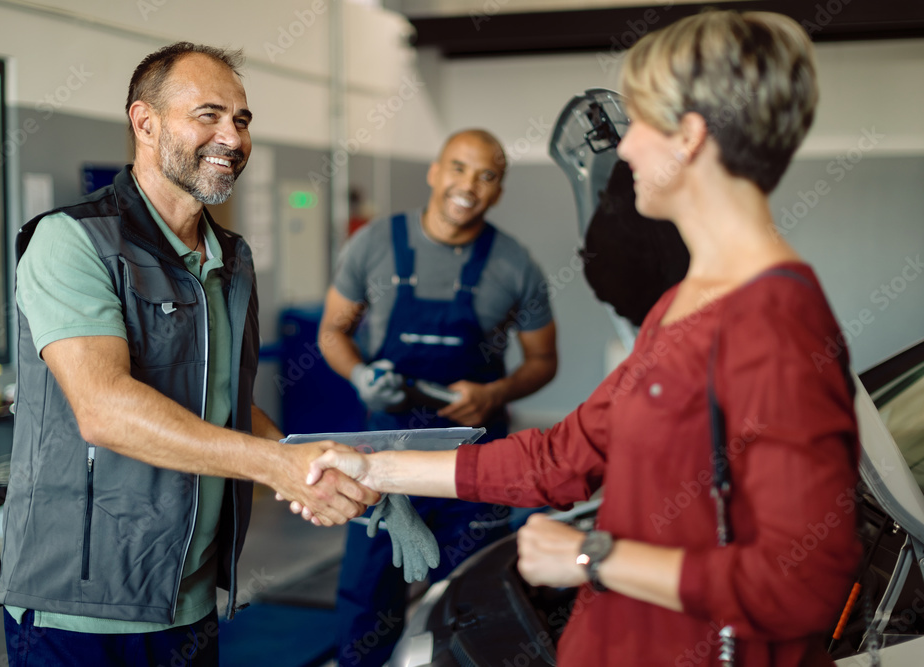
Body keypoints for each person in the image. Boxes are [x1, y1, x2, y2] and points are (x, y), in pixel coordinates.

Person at [302, 11, 862, 667]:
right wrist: (374, 467)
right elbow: (562, 458)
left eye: (641, 123)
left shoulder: (775, 323)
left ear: (689, 136)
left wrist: (594, 555)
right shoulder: (682, 304)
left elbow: (802, 582)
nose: (625, 149)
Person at [0, 42, 376, 666]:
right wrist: (272, 467)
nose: (232, 135)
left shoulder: (232, 258)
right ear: (144, 123)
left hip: (188, 599)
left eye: (242, 119)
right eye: (208, 114)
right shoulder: (72, 240)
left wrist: (320, 474)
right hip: (81, 608)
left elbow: (223, 401)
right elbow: (105, 410)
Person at [317, 129, 558, 666]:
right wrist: (359, 375)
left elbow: (544, 361)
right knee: (365, 604)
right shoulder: (374, 244)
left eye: (486, 175)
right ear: (434, 171)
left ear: (498, 190)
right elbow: (333, 332)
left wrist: (496, 391)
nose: (468, 185)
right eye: (458, 167)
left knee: (473, 604)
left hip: (472, 467)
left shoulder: (515, 265)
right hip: (379, 464)